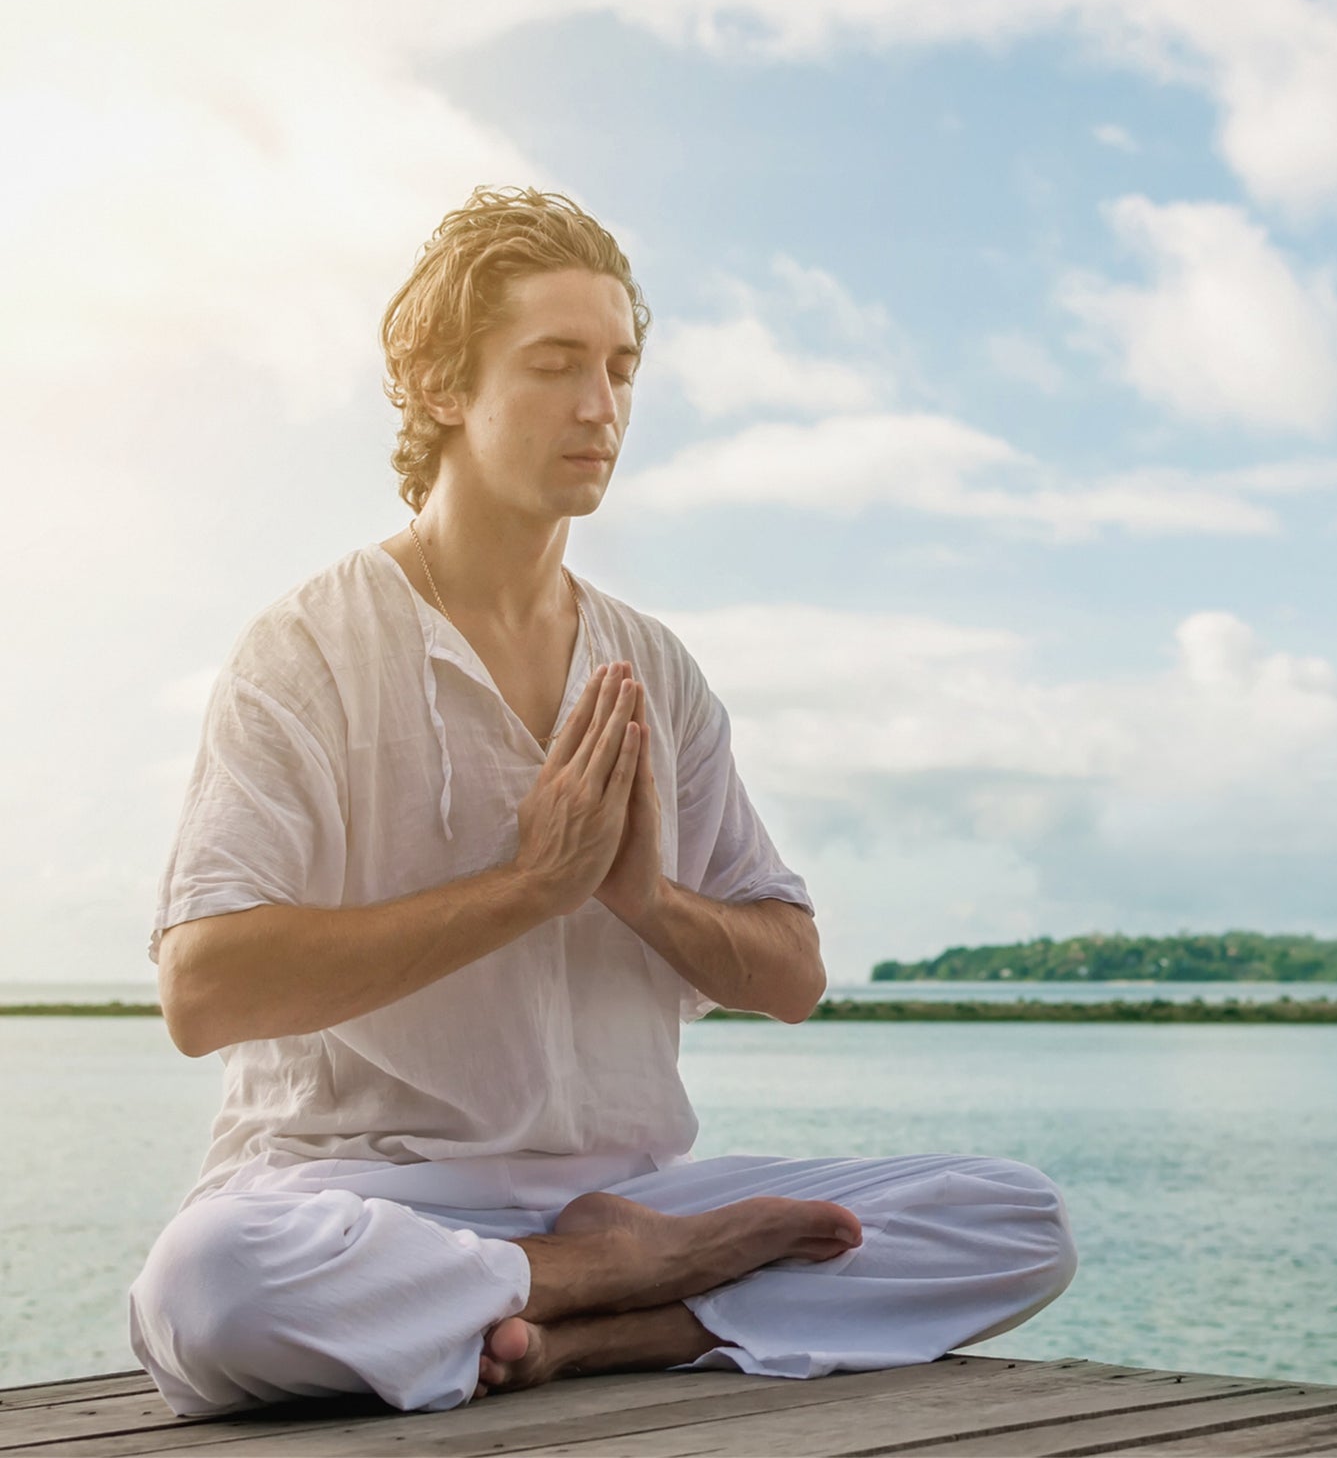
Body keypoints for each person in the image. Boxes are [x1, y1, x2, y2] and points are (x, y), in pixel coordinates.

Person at [129, 186, 1077, 1416]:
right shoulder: (308, 647)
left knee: (1013, 1217)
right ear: (440, 385)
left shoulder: (653, 668)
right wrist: (530, 888)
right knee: (210, 1286)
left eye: (620, 367)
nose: (601, 406)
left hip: (635, 1194)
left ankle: (596, 1328)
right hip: (368, 1197)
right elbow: (205, 990)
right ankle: (594, 1284)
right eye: (555, 364)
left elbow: (792, 975)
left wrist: (644, 899)